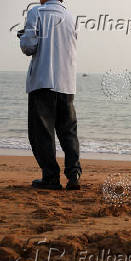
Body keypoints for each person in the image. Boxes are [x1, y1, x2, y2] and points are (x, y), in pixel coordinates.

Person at [20, 0, 82, 190]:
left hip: (43, 81)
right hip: (67, 83)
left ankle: (51, 177)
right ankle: (74, 175)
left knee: (41, 135)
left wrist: (22, 36)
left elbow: (28, 47)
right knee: (68, 133)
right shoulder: (71, 17)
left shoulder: (36, 12)